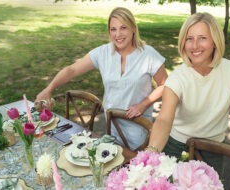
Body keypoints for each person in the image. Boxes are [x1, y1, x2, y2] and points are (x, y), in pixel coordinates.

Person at [146, 12, 230, 175]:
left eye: (202, 38)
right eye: (189, 39)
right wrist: (151, 152)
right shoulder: (178, 77)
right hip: (177, 147)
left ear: (215, 41)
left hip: (213, 149)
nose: (195, 46)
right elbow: (164, 119)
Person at [35, 7, 168, 150]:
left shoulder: (148, 54)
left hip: (139, 129)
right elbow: (72, 70)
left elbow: (165, 84)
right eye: (113, 29)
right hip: (112, 127)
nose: (118, 34)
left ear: (133, 28)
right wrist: (49, 89)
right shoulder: (103, 53)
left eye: (123, 28)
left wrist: (143, 104)